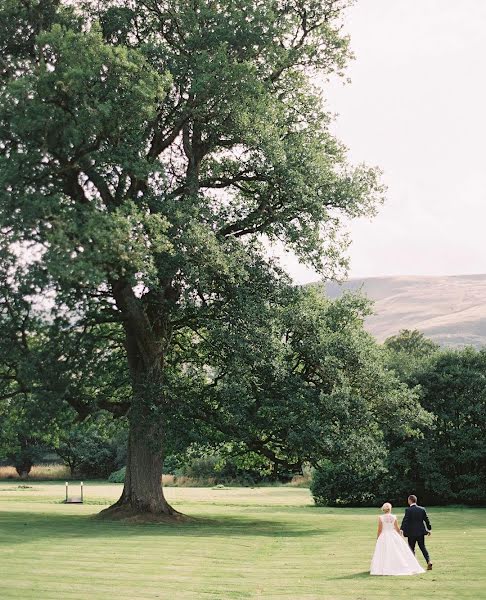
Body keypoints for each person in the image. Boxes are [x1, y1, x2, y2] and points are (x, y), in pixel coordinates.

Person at [370, 502, 425, 576]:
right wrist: (399, 535)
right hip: (393, 534)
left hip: (384, 535)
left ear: (383, 509)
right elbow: (396, 528)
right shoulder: (394, 517)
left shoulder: (381, 517)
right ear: (390, 509)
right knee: (396, 550)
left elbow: (380, 529)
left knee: (384, 551)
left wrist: (378, 538)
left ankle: (382, 567)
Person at [400, 494, 433, 570]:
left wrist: (402, 529)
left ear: (410, 501)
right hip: (420, 532)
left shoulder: (408, 510)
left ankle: (413, 565)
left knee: (411, 548)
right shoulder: (422, 509)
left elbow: (405, 521)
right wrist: (429, 529)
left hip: (411, 533)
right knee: (423, 547)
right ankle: (428, 561)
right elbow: (426, 520)